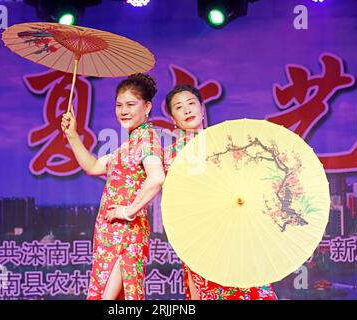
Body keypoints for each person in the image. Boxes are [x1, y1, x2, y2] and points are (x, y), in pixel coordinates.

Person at [163, 84, 277, 300]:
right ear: (172, 118)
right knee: (205, 288)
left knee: (249, 282)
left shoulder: (225, 142)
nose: (187, 110)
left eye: (191, 104)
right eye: (179, 107)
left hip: (235, 224)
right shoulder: (171, 155)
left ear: (203, 109)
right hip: (199, 233)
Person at [61, 73, 165, 300]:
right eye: (119, 105)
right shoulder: (129, 145)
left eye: (130, 104)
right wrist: (72, 135)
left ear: (147, 107)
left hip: (128, 235)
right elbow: (94, 166)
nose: (123, 110)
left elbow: (157, 178)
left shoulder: (148, 139)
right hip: (110, 233)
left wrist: (127, 211)